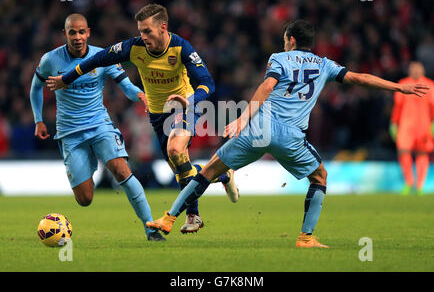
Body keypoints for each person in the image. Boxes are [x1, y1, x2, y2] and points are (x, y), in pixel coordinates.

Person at [145, 19, 430, 248]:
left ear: (291, 40)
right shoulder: (325, 64)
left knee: (207, 172)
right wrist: (398, 87)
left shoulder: (279, 59)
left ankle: (168, 218)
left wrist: (243, 118)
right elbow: (359, 78)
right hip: (291, 137)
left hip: (259, 129)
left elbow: (268, 87)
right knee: (319, 177)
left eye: (285, 39)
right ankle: (306, 237)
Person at [46, 4, 238, 234]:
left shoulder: (181, 48)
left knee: (176, 151)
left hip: (185, 106)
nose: (142, 36)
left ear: (163, 28)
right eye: (140, 31)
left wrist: (192, 101)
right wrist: (66, 78)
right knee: (181, 169)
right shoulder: (133, 48)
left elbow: (208, 83)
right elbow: (96, 60)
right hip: (158, 115)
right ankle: (219, 176)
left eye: (147, 31)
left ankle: (193, 215)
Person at [30, 13, 165, 241]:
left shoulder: (103, 57)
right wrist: (38, 120)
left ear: (88, 32)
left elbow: (126, 86)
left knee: (122, 171)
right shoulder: (51, 60)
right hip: (70, 133)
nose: (77, 37)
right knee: (85, 199)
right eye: (72, 32)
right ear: (65, 34)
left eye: (82, 32)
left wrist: (142, 96)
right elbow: (35, 88)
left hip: (99, 125)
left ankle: (151, 228)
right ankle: (87, 165)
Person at [389, 62, 434, 195]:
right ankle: (409, 182)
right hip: (406, 124)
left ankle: (420, 185)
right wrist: (394, 122)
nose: (415, 71)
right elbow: (397, 106)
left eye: (418, 68)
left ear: (423, 70)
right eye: (413, 68)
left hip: (424, 124)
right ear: (409, 70)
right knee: (403, 152)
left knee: (422, 153)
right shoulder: (403, 84)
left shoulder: (430, 85)